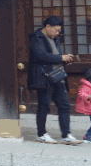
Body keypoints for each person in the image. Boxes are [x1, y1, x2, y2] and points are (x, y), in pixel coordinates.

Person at [28, 16, 80, 144]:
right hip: (44, 77)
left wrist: (65, 60)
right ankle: (41, 134)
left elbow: (55, 56)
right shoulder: (36, 38)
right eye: (56, 30)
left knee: (64, 105)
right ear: (47, 27)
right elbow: (41, 56)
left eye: (59, 31)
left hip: (58, 76)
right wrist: (61, 58)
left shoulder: (55, 39)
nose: (58, 33)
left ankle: (66, 134)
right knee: (44, 106)